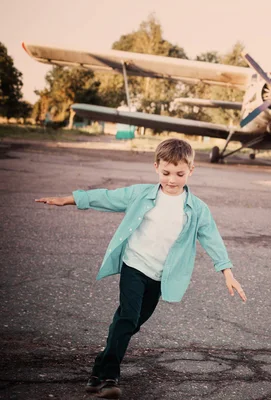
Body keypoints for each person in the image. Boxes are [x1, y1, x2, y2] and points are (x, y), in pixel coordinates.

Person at [35, 138, 246, 399]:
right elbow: (107, 197)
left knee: (130, 324)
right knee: (127, 319)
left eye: (180, 174)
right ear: (156, 167)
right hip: (134, 266)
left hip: (161, 277)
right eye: (166, 172)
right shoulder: (142, 194)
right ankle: (111, 377)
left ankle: (97, 369)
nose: (172, 179)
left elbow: (212, 238)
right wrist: (68, 200)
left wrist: (227, 272)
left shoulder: (197, 209)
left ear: (191, 171)